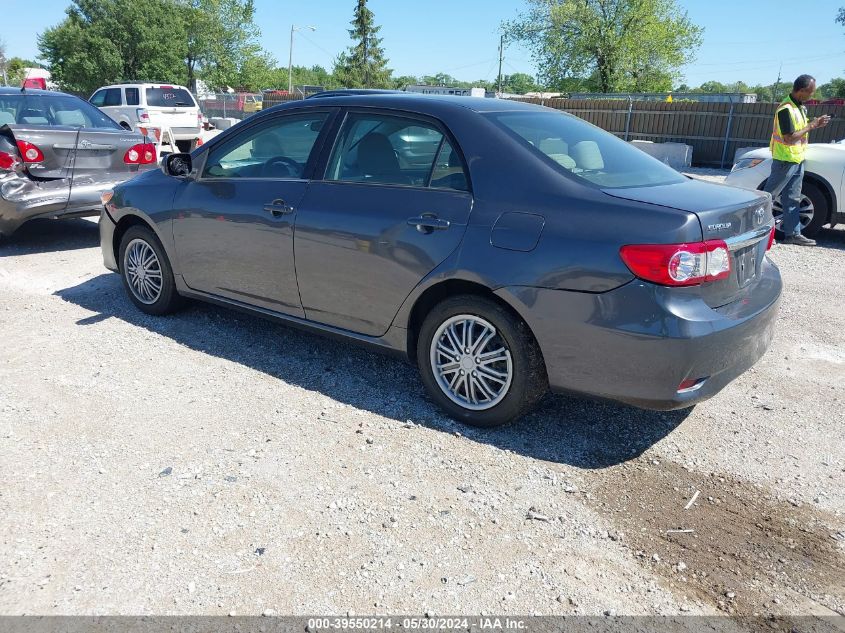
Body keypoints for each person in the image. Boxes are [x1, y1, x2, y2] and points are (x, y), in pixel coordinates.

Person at [765, 74, 830, 246]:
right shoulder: (786, 108)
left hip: (796, 159)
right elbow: (789, 138)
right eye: (810, 92)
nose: (812, 95)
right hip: (785, 161)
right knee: (767, 198)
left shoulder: (799, 107)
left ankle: (793, 234)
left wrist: (815, 124)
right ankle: (755, 232)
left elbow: (798, 132)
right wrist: (812, 125)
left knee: (792, 199)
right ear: (801, 91)